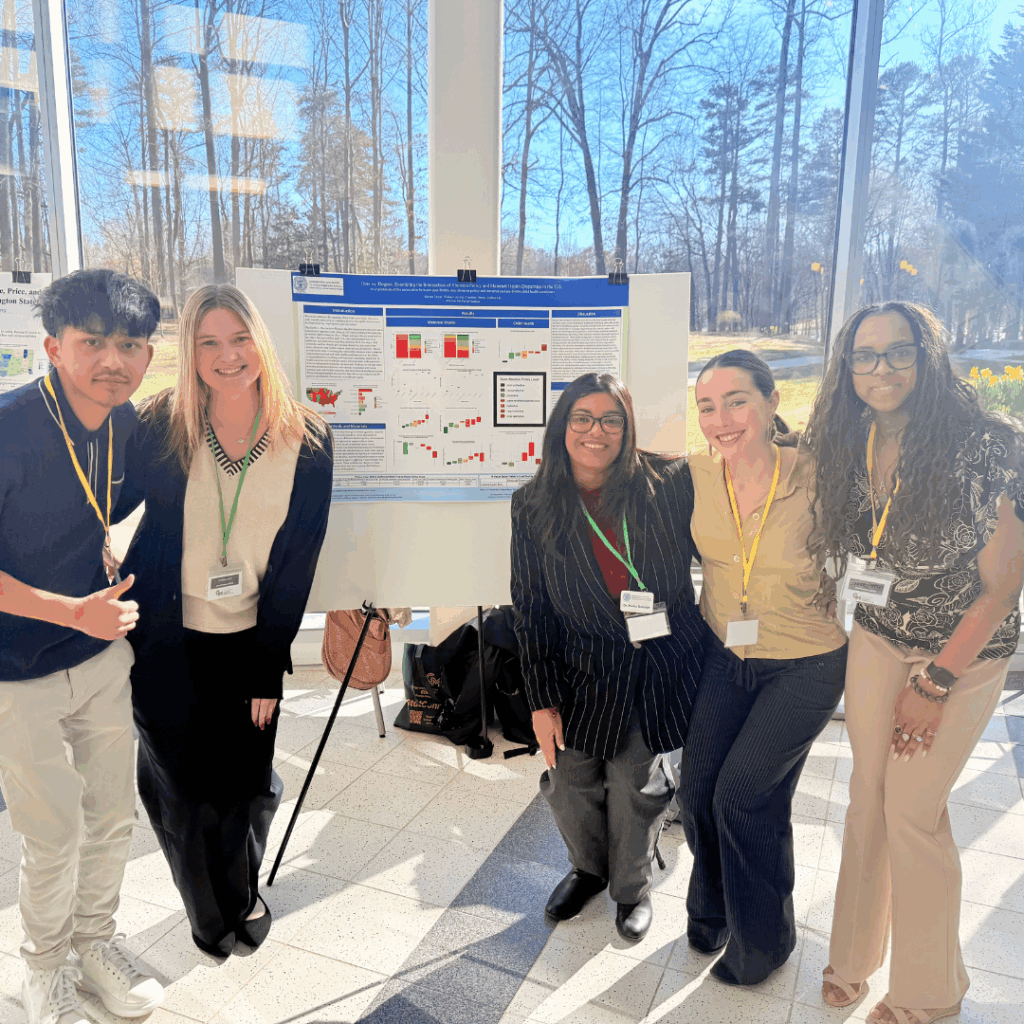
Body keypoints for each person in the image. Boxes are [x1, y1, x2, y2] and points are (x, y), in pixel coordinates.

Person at [803, 302, 1024, 1024]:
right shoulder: (848, 435)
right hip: (878, 634)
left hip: (963, 651)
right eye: (865, 355)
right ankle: (854, 958)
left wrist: (935, 683)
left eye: (900, 352)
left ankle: (930, 994)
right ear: (848, 367)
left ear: (927, 356)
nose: (882, 369)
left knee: (912, 811)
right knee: (866, 797)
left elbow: (1002, 589)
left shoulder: (986, 447)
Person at [113, 284, 333, 958]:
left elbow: (297, 563)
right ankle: (209, 919)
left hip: (248, 646)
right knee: (181, 795)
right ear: (190, 351)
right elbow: (103, 502)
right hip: (164, 641)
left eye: (238, 338)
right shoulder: (162, 423)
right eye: (208, 341)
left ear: (260, 341)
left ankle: (239, 895)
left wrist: (268, 669)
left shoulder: (308, 438)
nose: (226, 355)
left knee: (240, 790)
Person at [0, 270, 165, 1024]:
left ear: (148, 354)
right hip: (15, 670)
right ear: (53, 347)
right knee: (52, 832)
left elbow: (109, 507)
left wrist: (101, 566)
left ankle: (94, 944)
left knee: (112, 817)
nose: (111, 360)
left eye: (128, 344)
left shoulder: (128, 425)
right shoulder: (10, 427)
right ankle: (43, 969)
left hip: (100, 657)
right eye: (92, 342)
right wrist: (71, 610)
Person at [510, 372, 707, 942]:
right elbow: (531, 608)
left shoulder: (669, 483)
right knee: (569, 783)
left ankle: (631, 888)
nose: (595, 431)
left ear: (627, 427)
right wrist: (542, 702)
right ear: (562, 426)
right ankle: (589, 870)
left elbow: (728, 533)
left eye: (610, 420)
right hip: (579, 671)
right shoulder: (533, 504)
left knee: (634, 785)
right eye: (582, 418)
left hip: (653, 665)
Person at [678, 350, 848, 985]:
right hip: (727, 653)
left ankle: (765, 940)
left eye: (736, 401)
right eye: (707, 406)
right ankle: (714, 905)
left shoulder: (821, 476)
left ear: (772, 402)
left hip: (805, 662)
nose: (720, 420)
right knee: (698, 789)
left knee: (745, 796)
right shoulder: (695, 475)